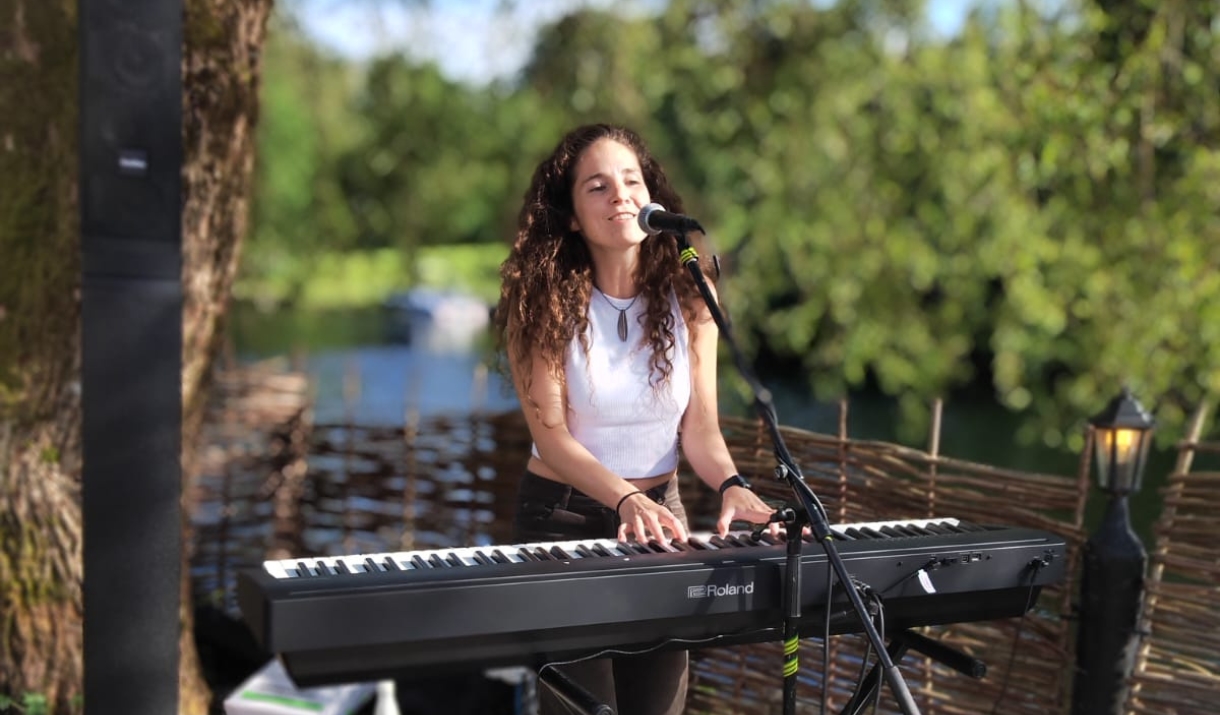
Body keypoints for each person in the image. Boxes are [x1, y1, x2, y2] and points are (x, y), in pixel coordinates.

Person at [493, 123, 779, 715]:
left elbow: (700, 429)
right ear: (571, 216)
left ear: (653, 200)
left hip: (659, 522)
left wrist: (732, 484)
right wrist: (625, 499)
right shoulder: (541, 300)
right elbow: (551, 437)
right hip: (562, 522)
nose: (619, 194)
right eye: (597, 186)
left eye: (631, 180)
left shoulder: (692, 293)